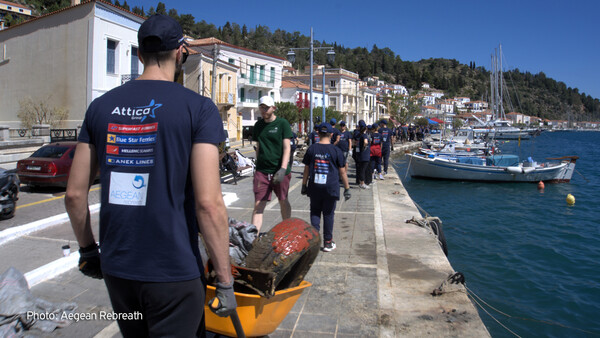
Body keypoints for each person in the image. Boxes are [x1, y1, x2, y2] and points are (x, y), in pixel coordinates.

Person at [64, 14, 235, 337]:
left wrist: (89, 252)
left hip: (118, 270)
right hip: (174, 273)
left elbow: (74, 195)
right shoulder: (198, 109)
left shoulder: (100, 107)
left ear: (140, 54)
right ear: (181, 52)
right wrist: (225, 280)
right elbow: (209, 204)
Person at [301, 123, 350, 252]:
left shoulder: (312, 149)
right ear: (331, 134)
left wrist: (303, 185)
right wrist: (347, 188)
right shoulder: (336, 151)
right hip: (331, 187)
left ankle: (314, 241)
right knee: (328, 214)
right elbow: (342, 172)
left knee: (315, 212)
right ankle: (328, 242)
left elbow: (306, 169)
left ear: (318, 133)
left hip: (315, 186)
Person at [251, 95, 293, 232]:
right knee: (258, 205)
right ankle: (253, 237)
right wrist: (256, 168)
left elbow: (287, 147)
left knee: (283, 200)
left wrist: (282, 169)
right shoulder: (258, 125)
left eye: (266, 108)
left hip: (279, 171)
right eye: (261, 107)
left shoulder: (282, 124)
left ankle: (287, 230)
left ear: (273, 108)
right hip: (262, 171)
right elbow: (259, 146)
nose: (264, 111)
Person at [356, 120, 371, 189]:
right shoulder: (364, 135)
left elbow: (354, 143)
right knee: (363, 169)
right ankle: (362, 183)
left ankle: (360, 182)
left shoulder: (358, 135)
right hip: (365, 155)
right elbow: (365, 142)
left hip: (360, 154)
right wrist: (364, 147)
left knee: (361, 168)